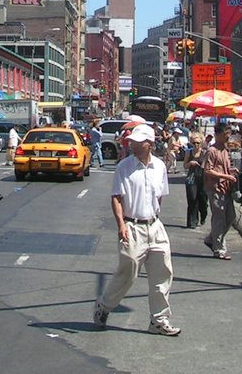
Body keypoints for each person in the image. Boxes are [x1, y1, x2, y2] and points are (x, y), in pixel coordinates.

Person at [92, 123, 180, 336]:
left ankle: (159, 320)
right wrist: (121, 225)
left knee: (162, 273)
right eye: (132, 142)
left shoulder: (159, 167)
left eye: (138, 143)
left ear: (149, 144)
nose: (133, 145)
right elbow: (117, 198)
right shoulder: (124, 166)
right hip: (132, 226)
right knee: (128, 271)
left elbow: (159, 197)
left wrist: (155, 218)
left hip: (155, 226)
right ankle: (104, 306)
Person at [203, 122, 238, 260]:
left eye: (229, 134)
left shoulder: (225, 149)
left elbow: (223, 167)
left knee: (230, 217)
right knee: (219, 219)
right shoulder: (212, 151)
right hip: (215, 189)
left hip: (226, 189)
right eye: (225, 134)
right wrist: (226, 176)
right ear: (218, 135)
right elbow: (207, 170)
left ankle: (211, 238)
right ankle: (219, 249)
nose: (228, 137)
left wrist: (232, 171)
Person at [183, 132, 207, 229]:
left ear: (201, 142)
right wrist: (190, 163)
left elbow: (208, 166)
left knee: (203, 200)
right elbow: (185, 165)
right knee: (192, 199)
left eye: (198, 143)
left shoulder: (205, 153)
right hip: (192, 178)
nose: (196, 145)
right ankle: (192, 222)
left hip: (203, 178)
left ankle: (203, 215)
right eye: (194, 143)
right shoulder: (189, 152)